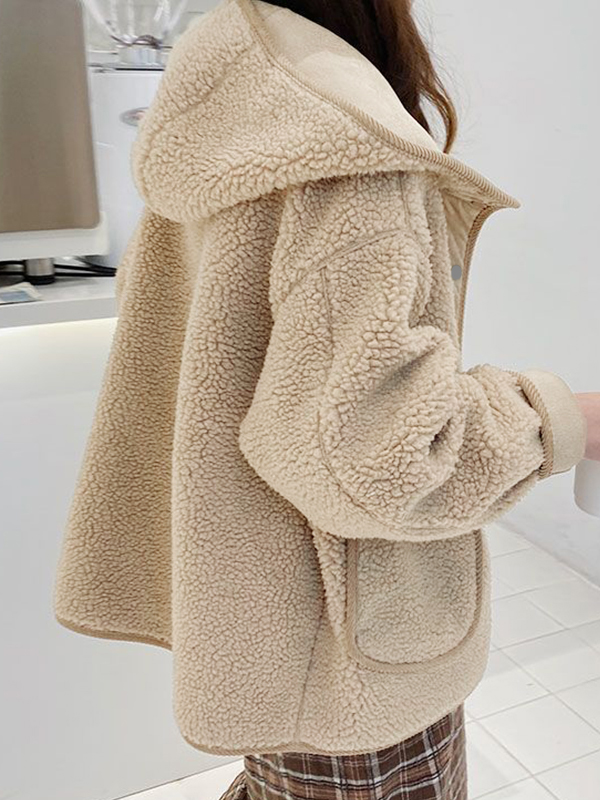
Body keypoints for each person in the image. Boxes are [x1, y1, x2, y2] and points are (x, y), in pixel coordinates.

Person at [53, 0, 600, 798]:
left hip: (270, 609)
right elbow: (378, 457)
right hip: (342, 635)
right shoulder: (346, 140)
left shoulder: (233, 83)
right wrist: (567, 419)